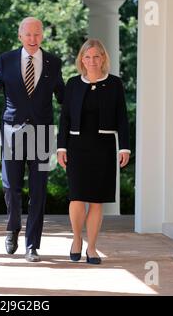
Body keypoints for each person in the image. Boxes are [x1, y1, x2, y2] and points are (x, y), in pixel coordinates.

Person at [0, 17, 65, 262]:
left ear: (42, 36)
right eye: (28, 35)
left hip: (43, 135)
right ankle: (13, 227)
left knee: (39, 191)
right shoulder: (5, 60)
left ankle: (32, 245)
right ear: (20, 36)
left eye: (37, 34)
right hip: (11, 132)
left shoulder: (54, 63)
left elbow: (64, 98)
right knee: (10, 187)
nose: (33, 39)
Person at [57, 39, 130, 264]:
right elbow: (65, 118)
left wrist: (125, 147)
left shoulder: (115, 84)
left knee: (97, 200)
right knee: (77, 197)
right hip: (77, 147)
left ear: (103, 58)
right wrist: (61, 147)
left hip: (104, 147)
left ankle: (92, 247)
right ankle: (77, 239)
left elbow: (122, 118)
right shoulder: (73, 84)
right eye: (87, 57)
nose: (92, 61)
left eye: (96, 56)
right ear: (81, 60)